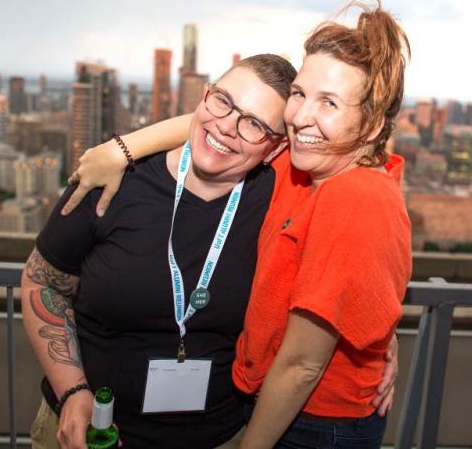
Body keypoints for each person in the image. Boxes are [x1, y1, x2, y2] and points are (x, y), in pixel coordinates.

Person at [65, 0, 412, 448]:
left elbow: (303, 365)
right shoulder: (305, 161)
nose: (301, 117)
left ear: (369, 126)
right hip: (272, 401)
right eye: (301, 95)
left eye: (329, 103)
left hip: (313, 424)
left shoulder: (354, 196)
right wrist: (121, 150)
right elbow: (215, 122)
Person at [22, 54, 296, 449]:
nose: (227, 127)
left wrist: (379, 341)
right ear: (203, 98)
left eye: (254, 123)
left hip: (218, 438)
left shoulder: (279, 205)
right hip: (89, 432)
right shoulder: (114, 182)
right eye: (223, 101)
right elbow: (41, 283)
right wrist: (71, 391)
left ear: (275, 147)